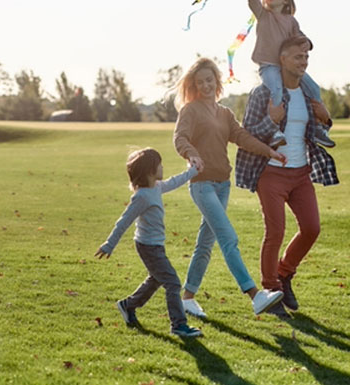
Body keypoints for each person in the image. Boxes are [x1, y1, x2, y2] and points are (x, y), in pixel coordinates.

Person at [173, 58, 287, 319]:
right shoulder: (190, 111)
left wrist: (269, 151)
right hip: (202, 185)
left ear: (217, 81)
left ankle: (187, 298)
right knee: (228, 238)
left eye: (209, 80)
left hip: (223, 185)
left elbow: (242, 137)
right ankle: (255, 296)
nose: (205, 85)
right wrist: (191, 154)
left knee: (205, 243)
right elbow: (180, 138)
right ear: (194, 85)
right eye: (200, 82)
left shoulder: (224, 113)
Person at [235, 35, 339, 317]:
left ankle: (284, 274)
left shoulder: (308, 95)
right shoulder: (262, 94)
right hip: (270, 173)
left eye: (306, 57)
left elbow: (318, 132)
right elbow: (246, 133)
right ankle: (270, 292)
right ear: (282, 59)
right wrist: (272, 119)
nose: (303, 62)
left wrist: (326, 118)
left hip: (301, 173)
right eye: (297, 57)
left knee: (312, 228)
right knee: (275, 232)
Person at [95, 148, 204, 338]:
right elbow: (124, 221)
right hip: (147, 247)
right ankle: (179, 325)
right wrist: (109, 244)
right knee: (172, 282)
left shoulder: (156, 187)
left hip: (156, 246)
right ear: (150, 171)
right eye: (160, 165)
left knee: (156, 280)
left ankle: (128, 305)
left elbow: (174, 181)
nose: (163, 167)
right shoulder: (142, 196)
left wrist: (192, 172)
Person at [249, 0, 334, 148]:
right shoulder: (264, 16)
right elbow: (251, 1)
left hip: (288, 67)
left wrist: (307, 42)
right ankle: (274, 130)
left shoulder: (291, 21)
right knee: (277, 92)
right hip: (269, 66)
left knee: (314, 89)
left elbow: (300, 37)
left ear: (286, 0)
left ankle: (319, 128)